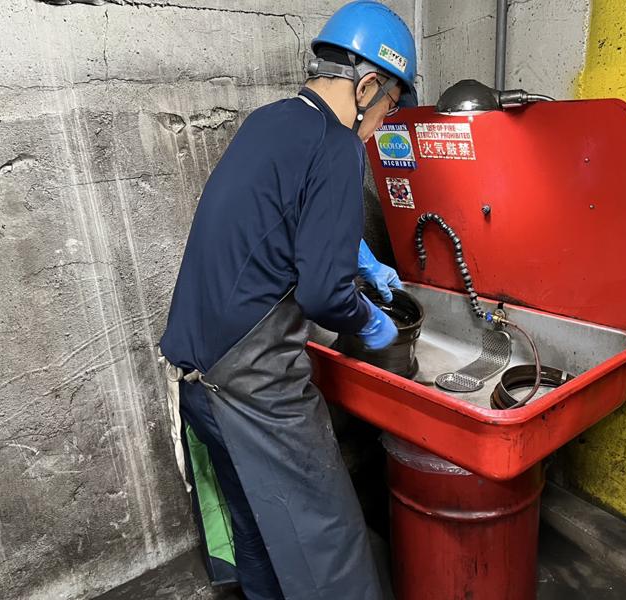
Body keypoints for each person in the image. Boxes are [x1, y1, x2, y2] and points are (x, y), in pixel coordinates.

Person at [156, 2, 417, 599]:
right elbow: (324, 294)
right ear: (367, 87)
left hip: (195, 378)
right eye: (391, 105)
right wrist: (371, 321)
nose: (386, 119)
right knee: (331, 539)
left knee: (258, 526)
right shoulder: (338, 146)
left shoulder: (270, 120)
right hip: (248, 384)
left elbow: (282, 215)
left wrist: (360, 257)